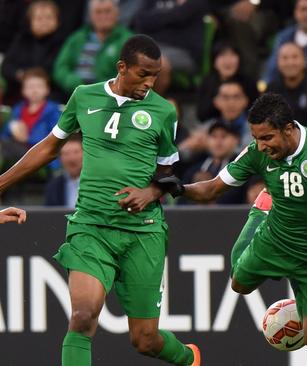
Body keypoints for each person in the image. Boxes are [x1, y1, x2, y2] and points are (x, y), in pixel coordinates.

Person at [0, 35, 200, 366]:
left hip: (142, 231)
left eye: (156, 75)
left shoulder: (163, 110)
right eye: (143, 74)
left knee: (146, 340)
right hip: (91, 226)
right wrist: (2, 183)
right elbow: (51, 146)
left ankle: (188, 358)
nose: (150, 83)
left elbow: (168, 172)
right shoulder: (84, 96)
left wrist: (149, 192)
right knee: (82, 316)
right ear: (122, 68)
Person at [176, 93, 307, 350]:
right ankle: (261, 213)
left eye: (267, 137)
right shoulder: (256, 152)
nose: (261, 146)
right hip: (277, 239)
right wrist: (177, 188)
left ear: (288, 129)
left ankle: (300, 287)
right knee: (239, 284)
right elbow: (212, 188)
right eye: (256, 138)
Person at [52, 0, 132, 96]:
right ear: (90, 16)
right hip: (76, 94)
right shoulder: (78, 38)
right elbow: (60, 67)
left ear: (117, 13)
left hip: (109, 98)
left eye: (107, 11)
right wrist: (74, 82)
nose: (103, 16)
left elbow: (130, 73)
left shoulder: (127, 40)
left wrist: (103, 87)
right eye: (98, 12)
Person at [267, 42, 307, 130]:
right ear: (277, 62)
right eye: (284, 58)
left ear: (305, 61)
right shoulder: (272, 88)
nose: (290, 63)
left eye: (295, 57)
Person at [44, 134, 83, 207]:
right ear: (60, 158)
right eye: (66, 153)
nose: (71, 158)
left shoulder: (98, 183)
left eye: (76, 152)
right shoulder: (53, 186)